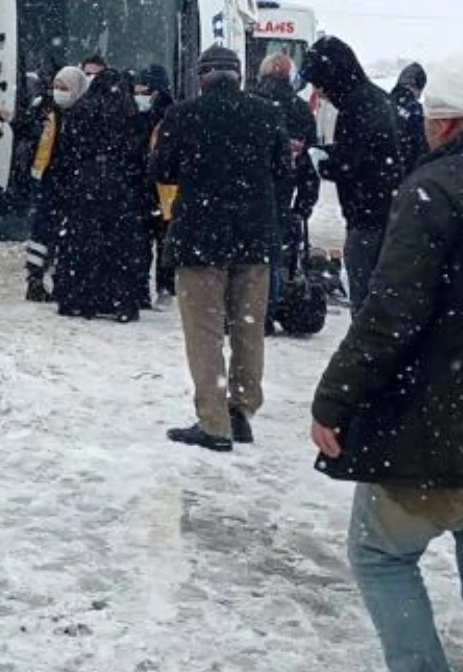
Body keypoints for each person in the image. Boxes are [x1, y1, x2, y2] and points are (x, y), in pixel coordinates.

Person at [309, 52, 463, 672]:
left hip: (431, 426)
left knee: (381, 554)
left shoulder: (436, 190)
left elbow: (390, 315)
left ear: (448, 121)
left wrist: (334, 400)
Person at [154, 44, 290, 451]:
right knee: (249, 329)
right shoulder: (268, 114)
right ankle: (242, 410)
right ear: (239, 75)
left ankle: (213, 423)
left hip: (201, 237)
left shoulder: (182, 115)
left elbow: (161, 169)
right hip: (255, 237)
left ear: (201, 77)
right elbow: (283, 171)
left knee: (206, 332)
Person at [299, 37, 403, 313]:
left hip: (367, 216)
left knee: (366, 304)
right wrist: (317, 149)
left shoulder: (357, 106)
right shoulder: (377, 98)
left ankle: (368, 354)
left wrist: (314, 159)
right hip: (387, 210)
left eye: (319, 84)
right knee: (383, 301)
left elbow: (346, 164)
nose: (320, 93)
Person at [52, 68, 144, 321]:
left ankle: (79, 297)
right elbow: (137, 151)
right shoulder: (128, 111)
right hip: (117, 182)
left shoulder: (81, 110)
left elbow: (67, 148)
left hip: (85, 181)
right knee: (118, 244)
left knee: (82, 241)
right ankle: (120, 299)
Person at [255, 53, 319, 327]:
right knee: (275, 251)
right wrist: (304, 203)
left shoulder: (251, 103)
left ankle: (250, 312)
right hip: (283, 191)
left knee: (248, 256)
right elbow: (310, 161)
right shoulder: (301, 110)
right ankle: (268, 309)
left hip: (250, 189)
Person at [22, 66, 89, 300]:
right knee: (42, 231)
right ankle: (35, 278)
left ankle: (61, 279)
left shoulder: (84, 113)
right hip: (50, 179)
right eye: (57, 87)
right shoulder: (47, 110)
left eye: (65, 88)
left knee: (65, 232)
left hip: (72, 182)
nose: (59, 92)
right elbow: (32, 137)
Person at [135, 63, 176, 302]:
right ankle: (164, 286)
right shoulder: (173, 114)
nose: (140, 94)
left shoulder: (158, 116)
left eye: (145, 89)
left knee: (148, 240)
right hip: (164, 189)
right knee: (162, 240)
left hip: (154, 186)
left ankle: (146, 287)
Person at [390, 61, 429, 177]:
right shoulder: (417, 112)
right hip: (404, 176)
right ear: (418, 87)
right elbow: (423, 149)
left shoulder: (381, 102)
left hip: (377, 174)